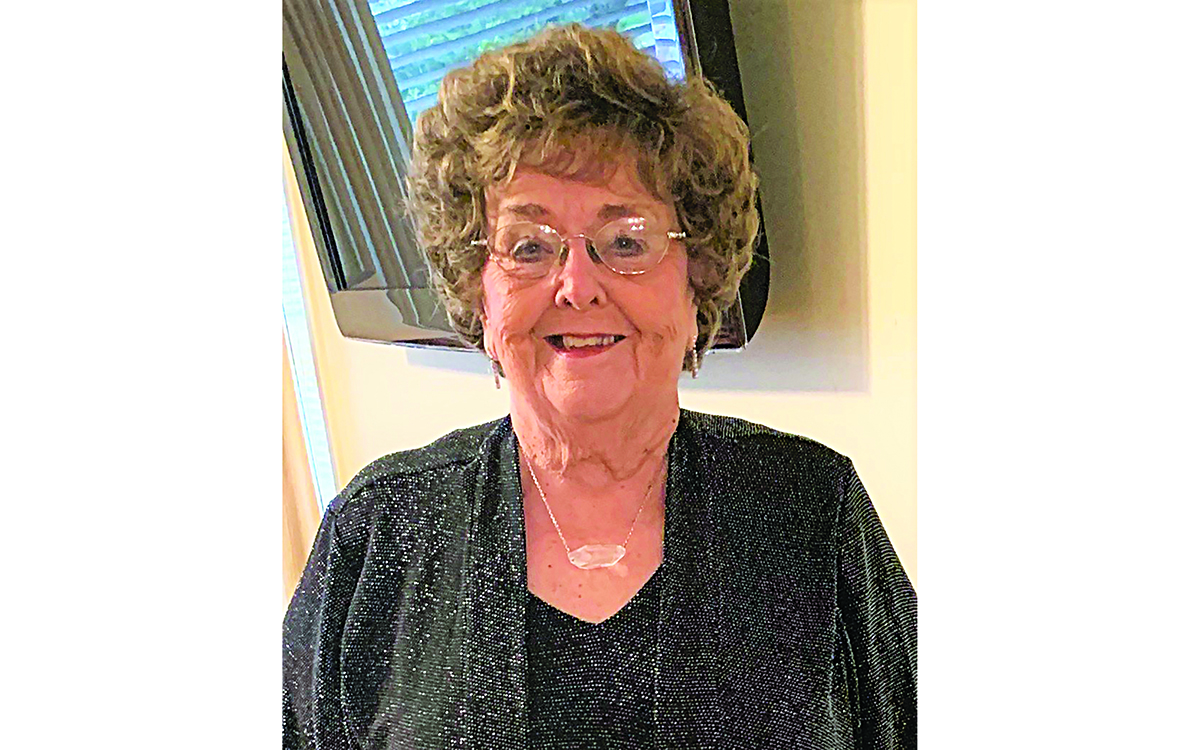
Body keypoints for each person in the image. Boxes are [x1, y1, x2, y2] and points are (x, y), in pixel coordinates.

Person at [284, 24, 915, 750]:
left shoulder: (810, 508)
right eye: (529, 247)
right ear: (476, 289)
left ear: (698, 277)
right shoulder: (379, 531)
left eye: (626, 242)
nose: (577, 285)